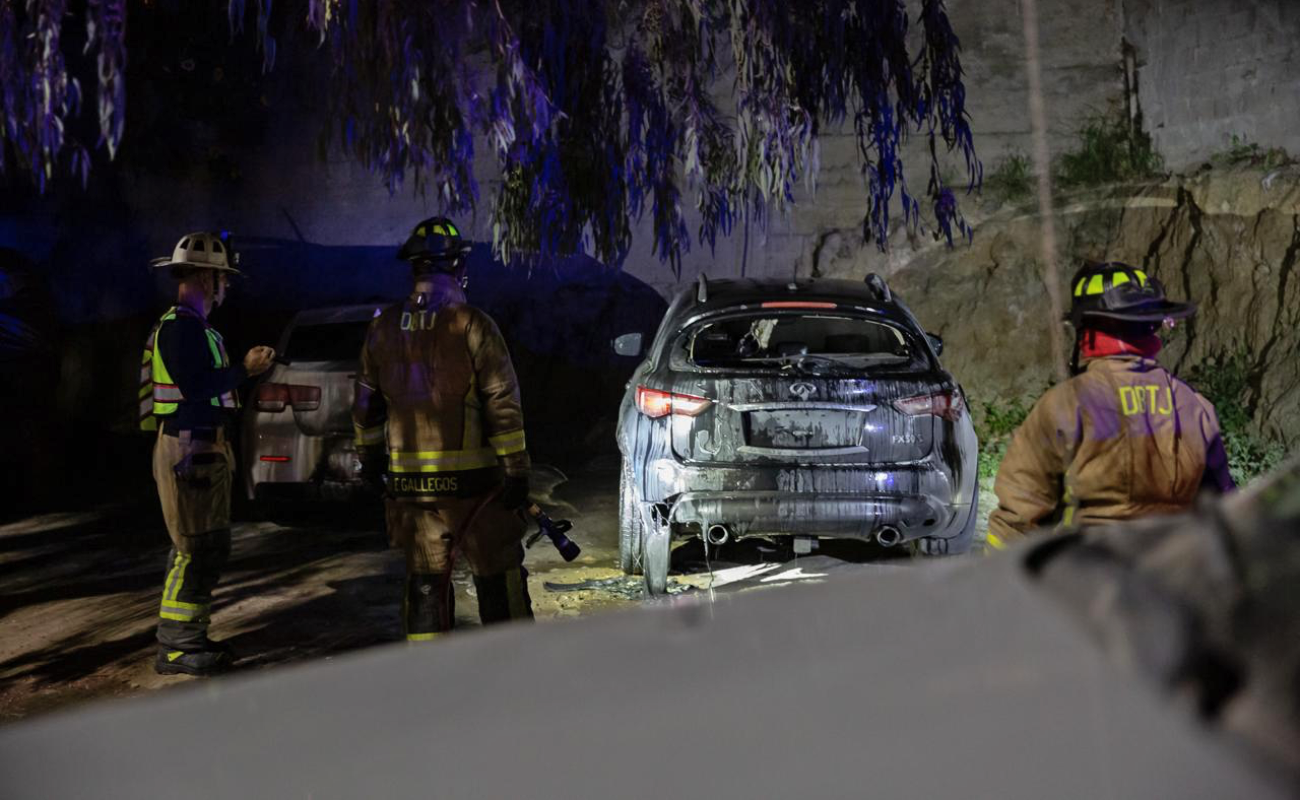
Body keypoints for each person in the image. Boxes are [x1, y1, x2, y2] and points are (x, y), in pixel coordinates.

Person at [351, 217, 533, 640]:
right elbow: (502, 404)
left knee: (426, 585)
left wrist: (371, 460)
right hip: (476, 492)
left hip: (411, 492)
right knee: (498, 578)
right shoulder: (473, 324)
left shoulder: (382, 329)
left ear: (415, 269)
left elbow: (365, 407)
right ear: (456, 267)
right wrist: (517, 471)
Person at [986, 261, 1235, 548]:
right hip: (1174, 577)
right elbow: (1223, 508)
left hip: (1089, 578)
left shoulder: (1066, 406)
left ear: (1088, 332)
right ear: (1150, 327)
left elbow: (1016, 517)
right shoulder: (1195, 407)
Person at [140, 232, 275, 675]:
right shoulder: (181, 328)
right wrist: (245, 370)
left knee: (199, 547)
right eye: (223, 277)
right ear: (205, 276)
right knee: (197, 548)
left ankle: (186, 638)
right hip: (189, 446)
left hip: (197, 446)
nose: (227, 287)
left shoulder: (192, 327)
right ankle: (178, 646)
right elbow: (196, 387)